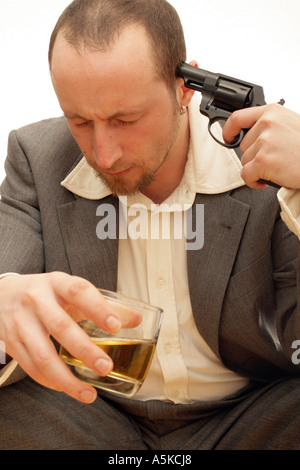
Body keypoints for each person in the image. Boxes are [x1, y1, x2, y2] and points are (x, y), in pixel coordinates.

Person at [0, 0, 299, 451]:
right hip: (90, 421)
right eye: (80, 121)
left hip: (252, 416)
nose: (104, 154)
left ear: (184, 88)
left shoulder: (271, 162)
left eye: (125, 120)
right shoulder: (35, 157)